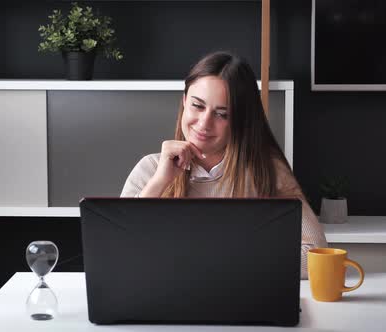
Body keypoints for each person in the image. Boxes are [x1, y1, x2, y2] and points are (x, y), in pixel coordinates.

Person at [120, 51, 327, 279]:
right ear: (184, 102)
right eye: (197, 106)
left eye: (222, 114)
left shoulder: (267, 172)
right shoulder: (150, 170)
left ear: (241, 121)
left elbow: (317, 256)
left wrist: (224, 260)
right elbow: (116, 253)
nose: (204, 123)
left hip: (240, 305)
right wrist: (159, 183)